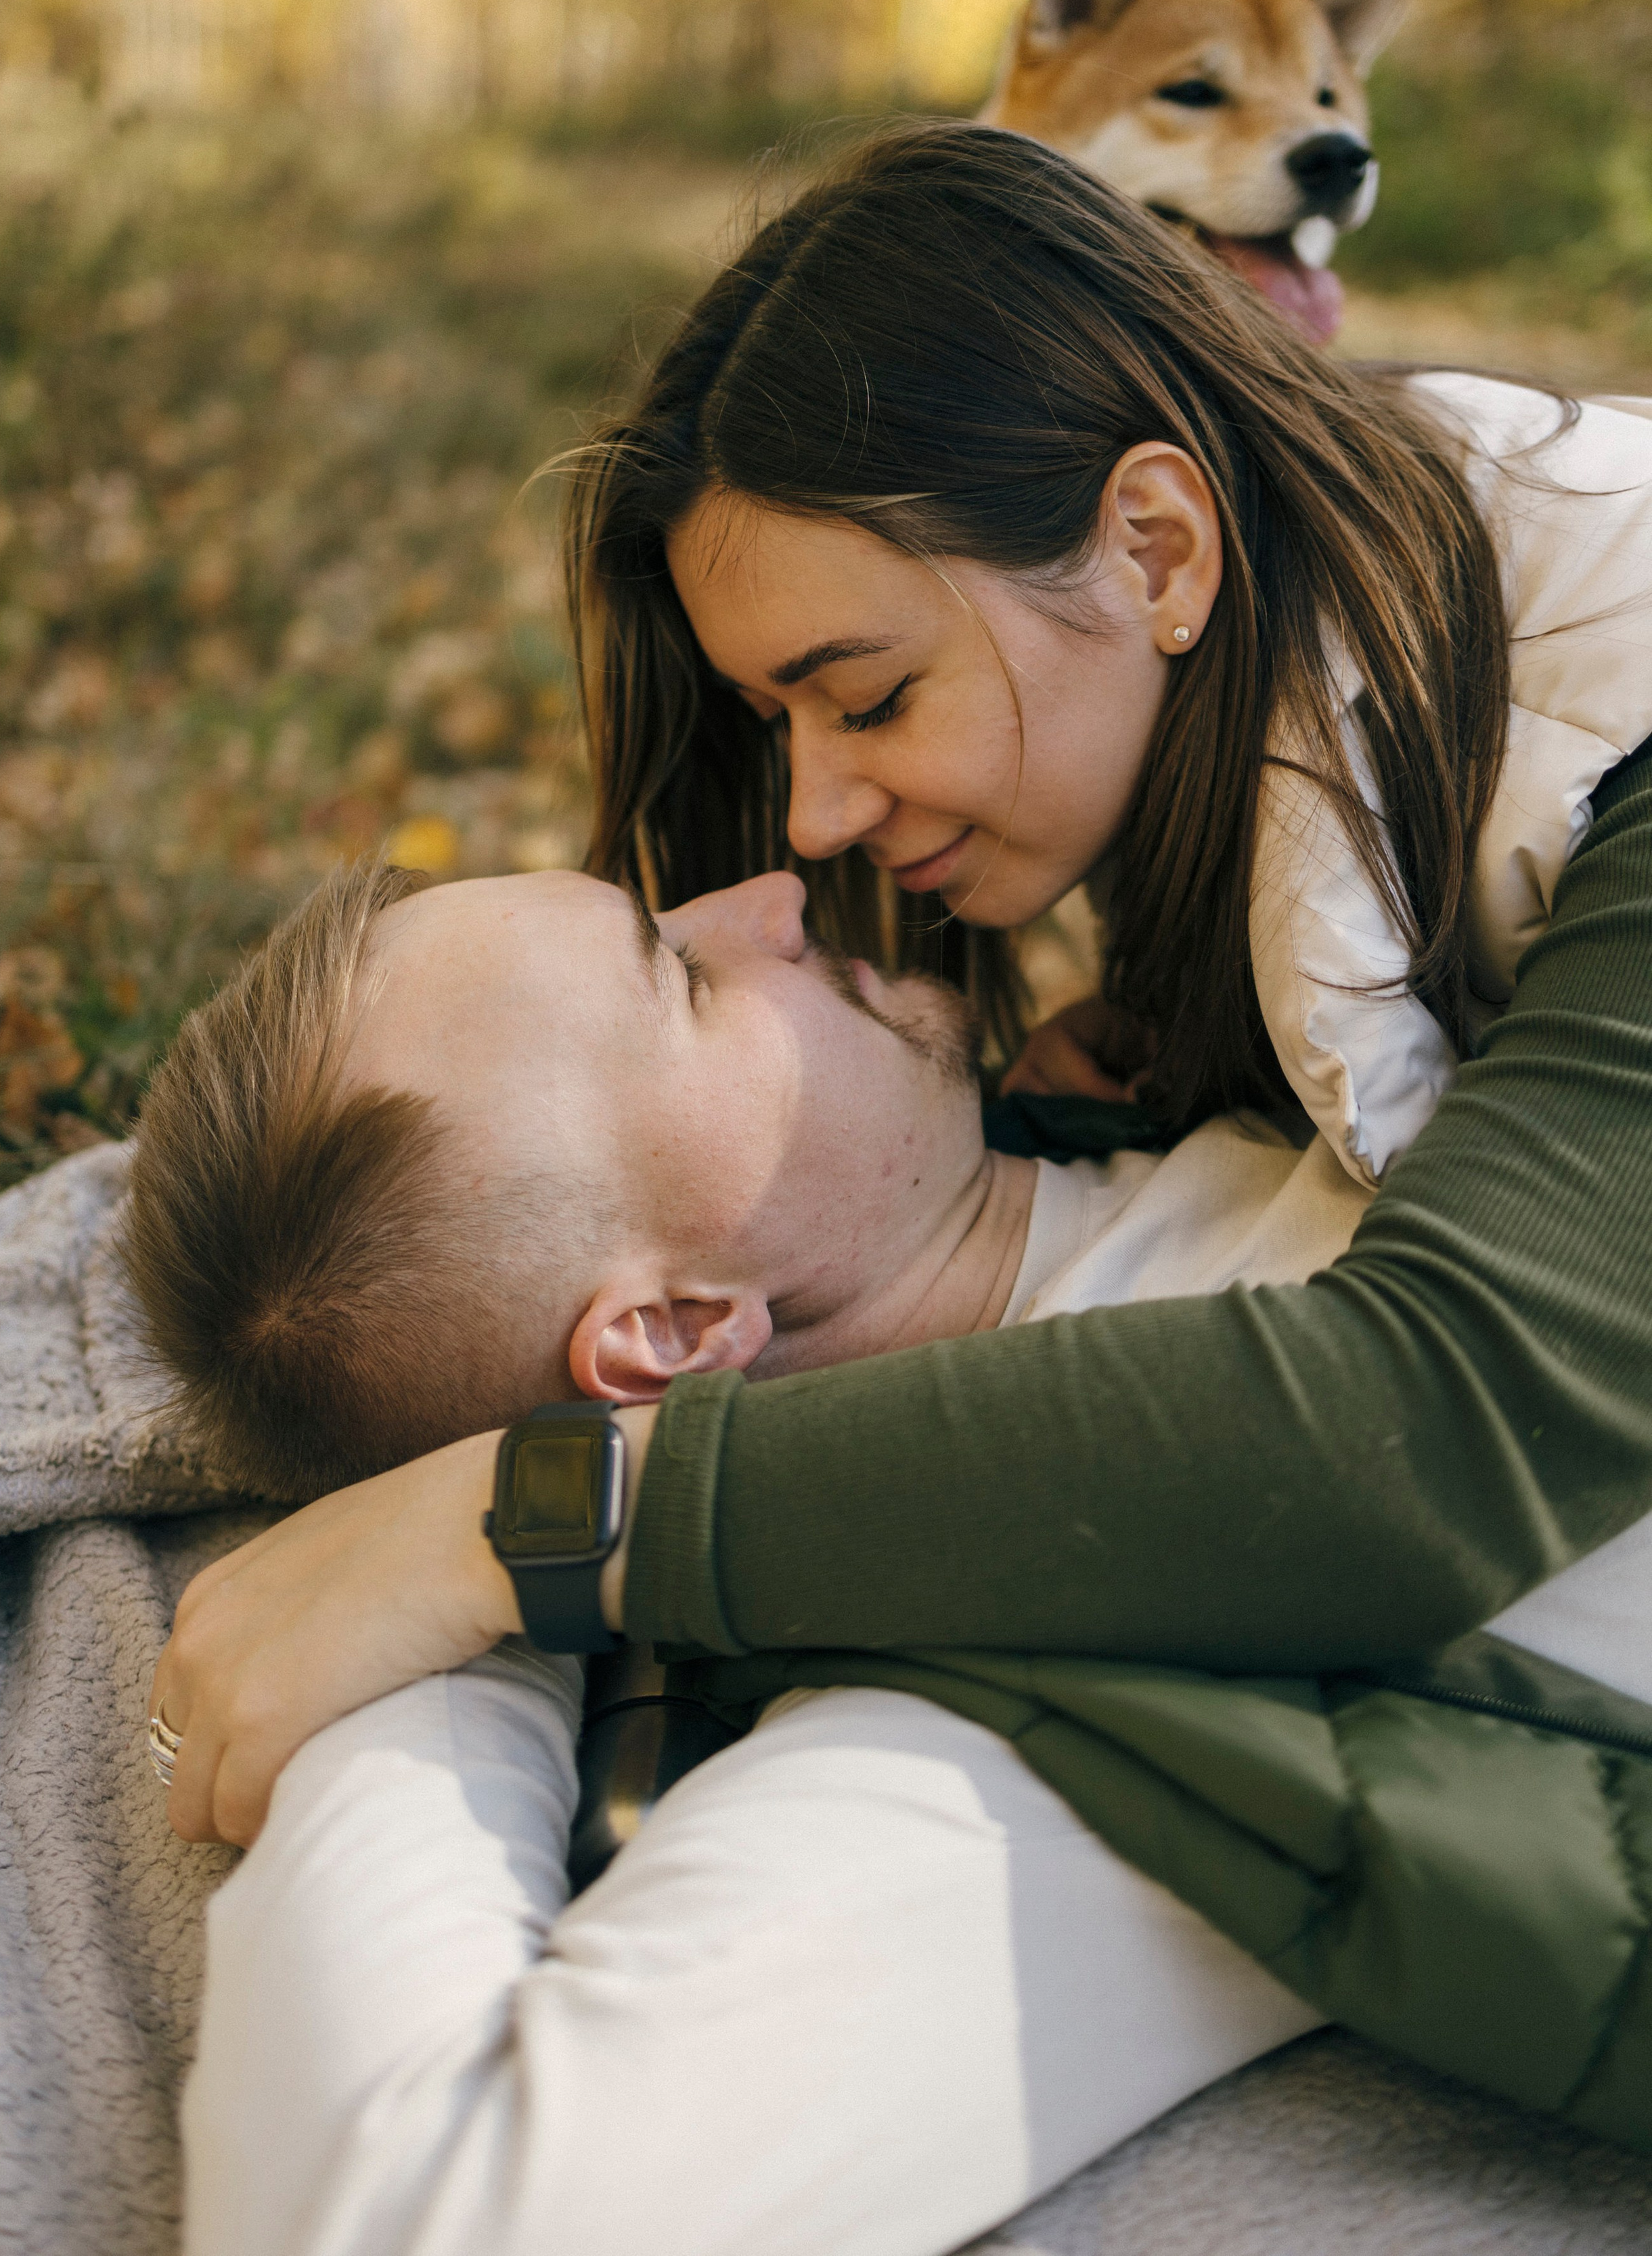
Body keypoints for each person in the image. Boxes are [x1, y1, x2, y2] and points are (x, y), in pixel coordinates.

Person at [139, 120, 1652, 2232]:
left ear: (1159, 550)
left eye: (866, 697)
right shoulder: (1040, 1626)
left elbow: (1430, 1420)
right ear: (660, 1334)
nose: (794, 854)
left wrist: (511, 1527)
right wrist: (417, 1671)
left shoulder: (1540, 724)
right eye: (681, 978)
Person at [125, 852, 1652, 2255]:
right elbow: (398, 2217)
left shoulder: (1252, 1033)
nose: (772, 893)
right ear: (673, 1331)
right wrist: (424, 1638)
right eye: (681, 975)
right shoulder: (996, 1720)